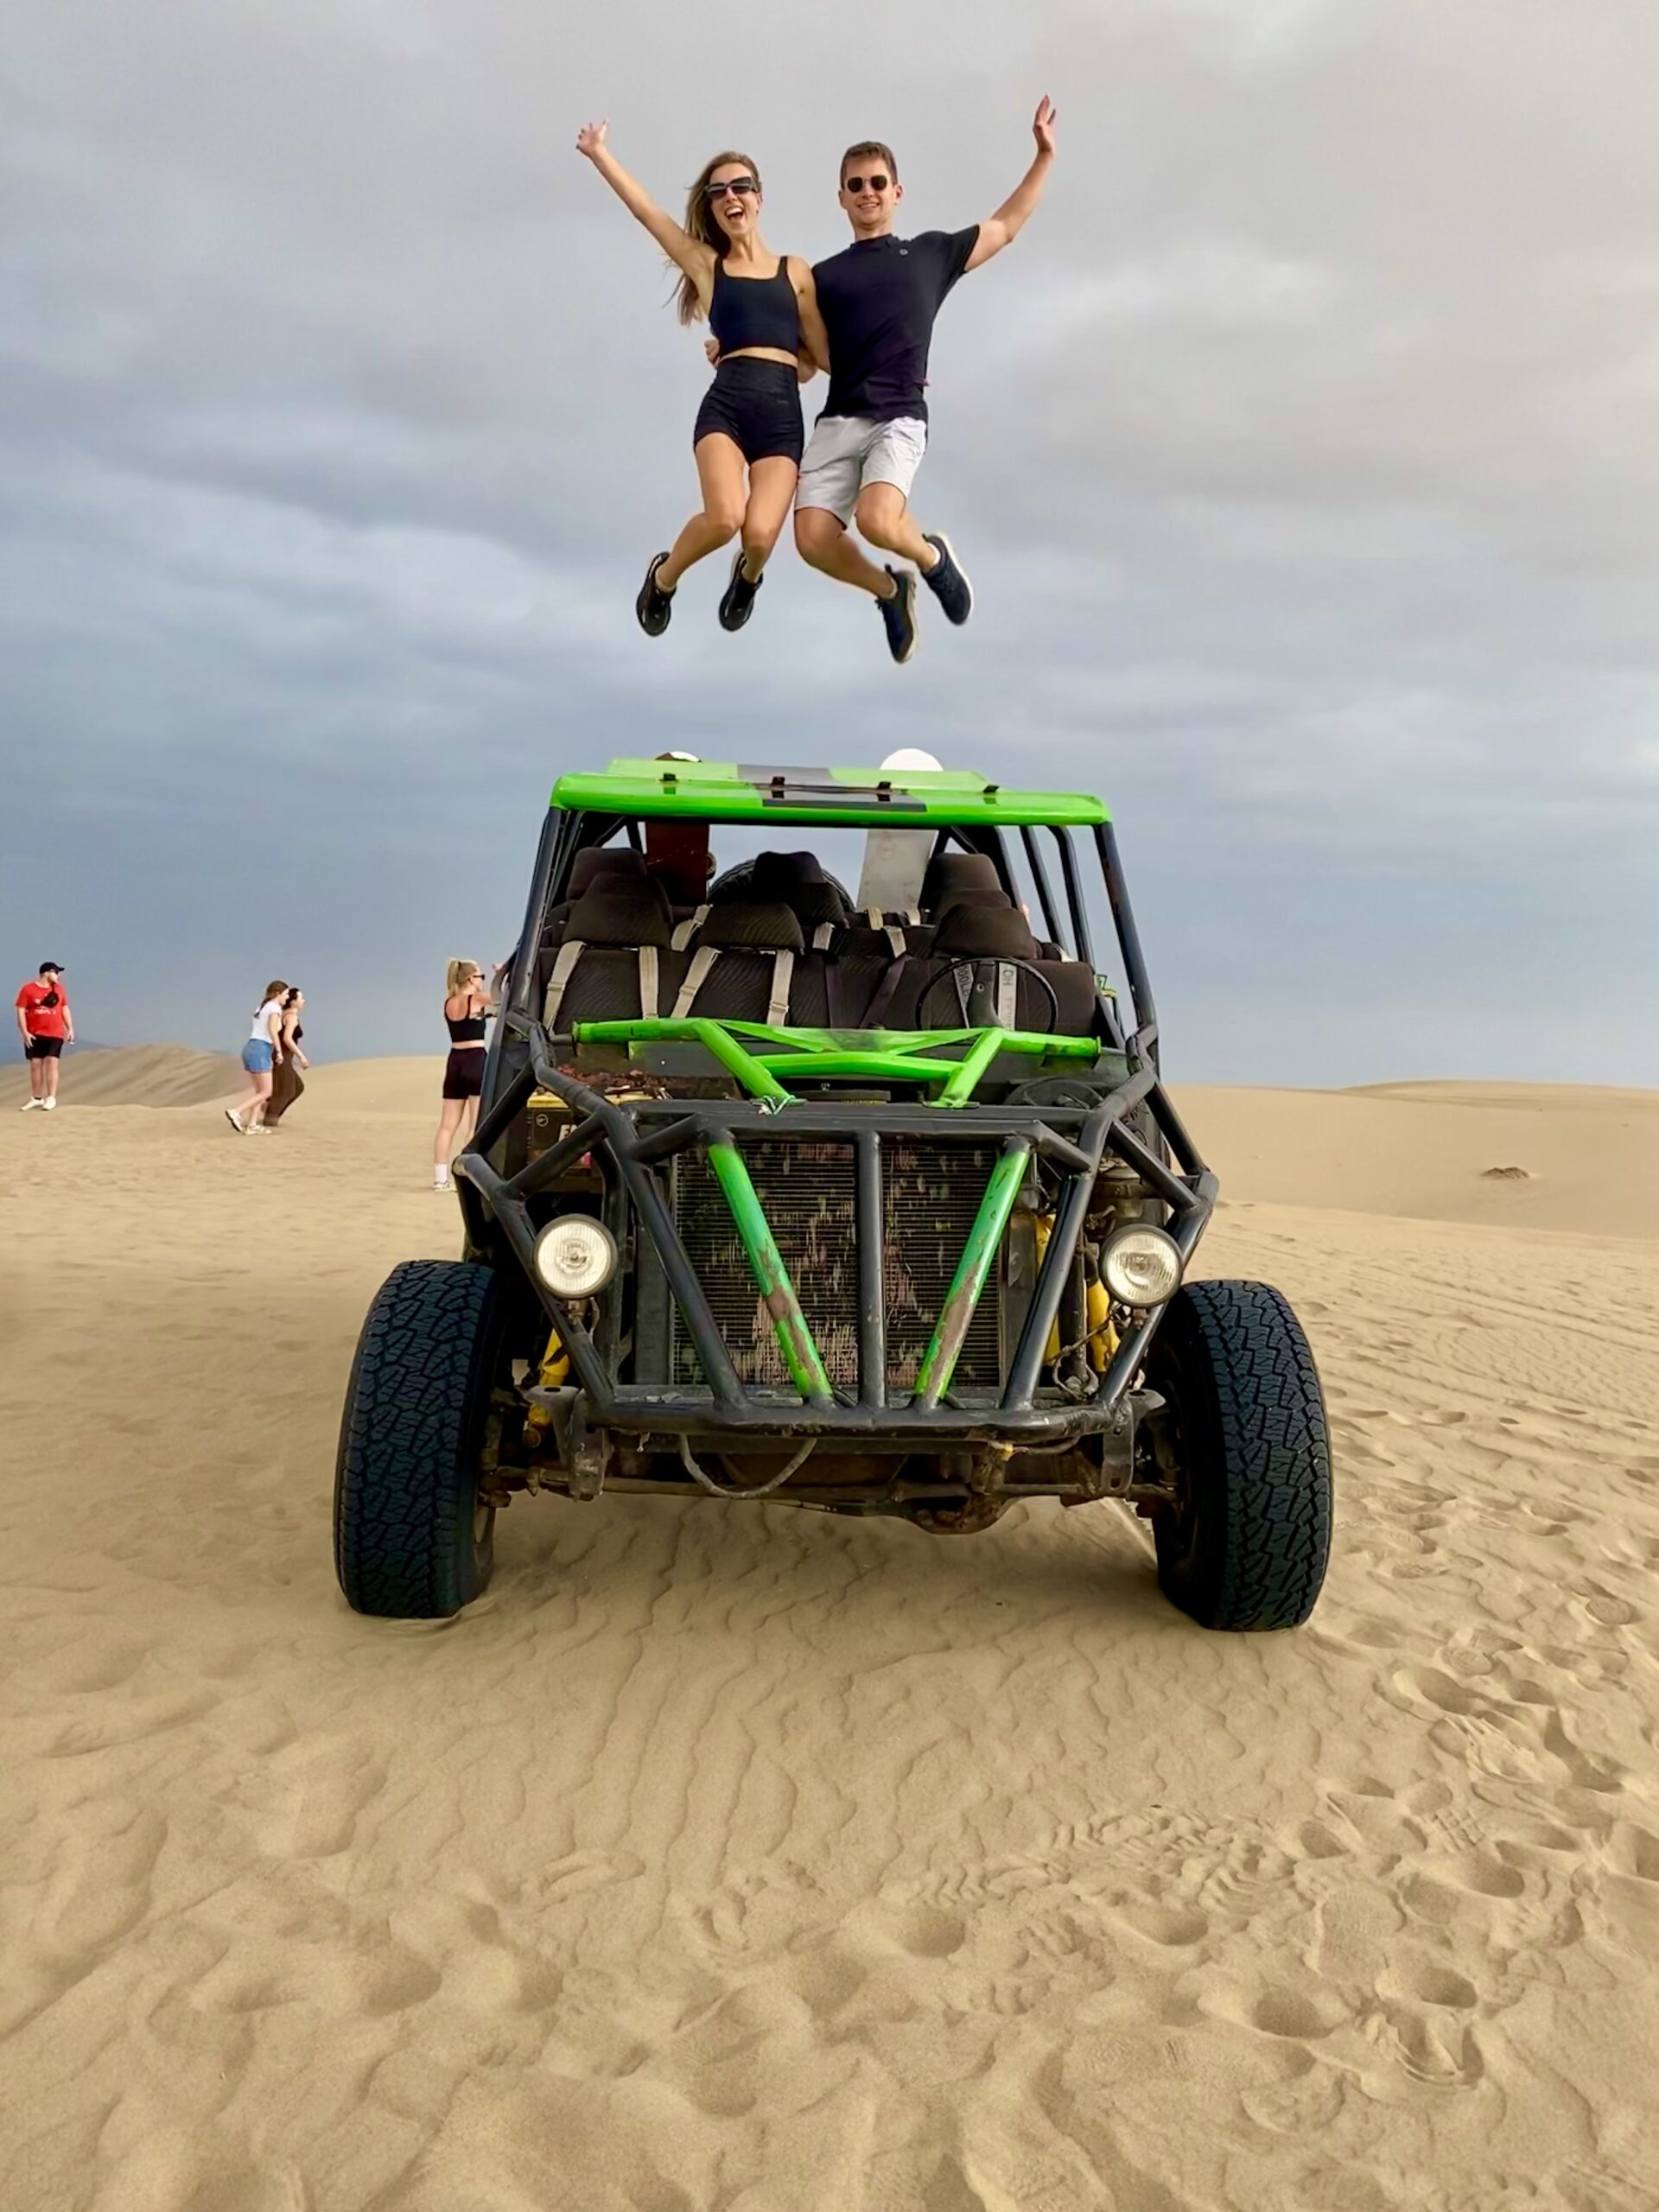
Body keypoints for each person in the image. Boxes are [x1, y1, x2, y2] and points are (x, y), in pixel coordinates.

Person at [792, 98, 1059, 664]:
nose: (867, 192)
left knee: (877, 520)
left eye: (877, 182)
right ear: (841, 196)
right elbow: (807, 362)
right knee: (812, 541)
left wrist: (1043, 157)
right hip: (839, 418)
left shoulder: (930, 254)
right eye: (855, 184)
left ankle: (932, 559)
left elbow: (1007, 226)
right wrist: (737, 352)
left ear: (896, 192)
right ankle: (892, 592)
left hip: (899, 416)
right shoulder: (823, 278)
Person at [575, 122, 832, 637]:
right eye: (718, 192)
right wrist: (600, 154)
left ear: (759, 198)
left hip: (782, 419)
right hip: (729, 407)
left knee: (759, 536)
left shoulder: (796, 272)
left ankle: (748, 577)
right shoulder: (708, 266)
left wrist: (894, 373)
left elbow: (825, 358)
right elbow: (647, 212)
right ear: (712, 207)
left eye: (740, 187)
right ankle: (663, 578)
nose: (730, 197)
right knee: (724, 518)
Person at [435, 959, 492, 1192]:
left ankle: (440, 1179)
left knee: (447, 1125)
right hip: (476, 1060)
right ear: (470, 979)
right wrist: (502, 972)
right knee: (474, 1124)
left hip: (455, 1062)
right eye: (481, 977)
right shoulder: (476, 1000)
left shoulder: (448, 1003)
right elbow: (502, 995)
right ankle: (467, 1177)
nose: (482, 982)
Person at [226, 982, 288, 1135]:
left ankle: (252, 1125)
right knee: (267, 1091)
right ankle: (237, 1112)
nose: (287, 997)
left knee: (259, 1091)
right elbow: (273, 1031)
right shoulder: (274, 1008)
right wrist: (279, 1052)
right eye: (286, 994)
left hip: (252, 1048)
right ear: (277, 993)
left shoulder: (262, 1007)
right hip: (261, 1049)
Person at [15, 961, 73, 1111]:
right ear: (47, 973)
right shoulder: (28, 989)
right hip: (35, 1033)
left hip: (55, 1033)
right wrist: (25, 1031)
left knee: (52, 1063)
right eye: (56, 972)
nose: (58, 975)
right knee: (35, 1065)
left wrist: (70, 1028)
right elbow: (21, 1010)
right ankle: (36, 1098)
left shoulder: (59, 990)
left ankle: (51, 1097)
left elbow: (64, 1009)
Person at [263, 988, 311, 1128]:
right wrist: (301, 1056)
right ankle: (270, 1120)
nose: (303, 1001)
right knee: (287, 1091)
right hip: (281, 1056)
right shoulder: (291, 1017)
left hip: (283, 1056)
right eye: (301, 998)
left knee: (297, 1088)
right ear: (293, 1001)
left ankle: (270, 1114)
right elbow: (287, 1039)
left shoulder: (283, 1014)